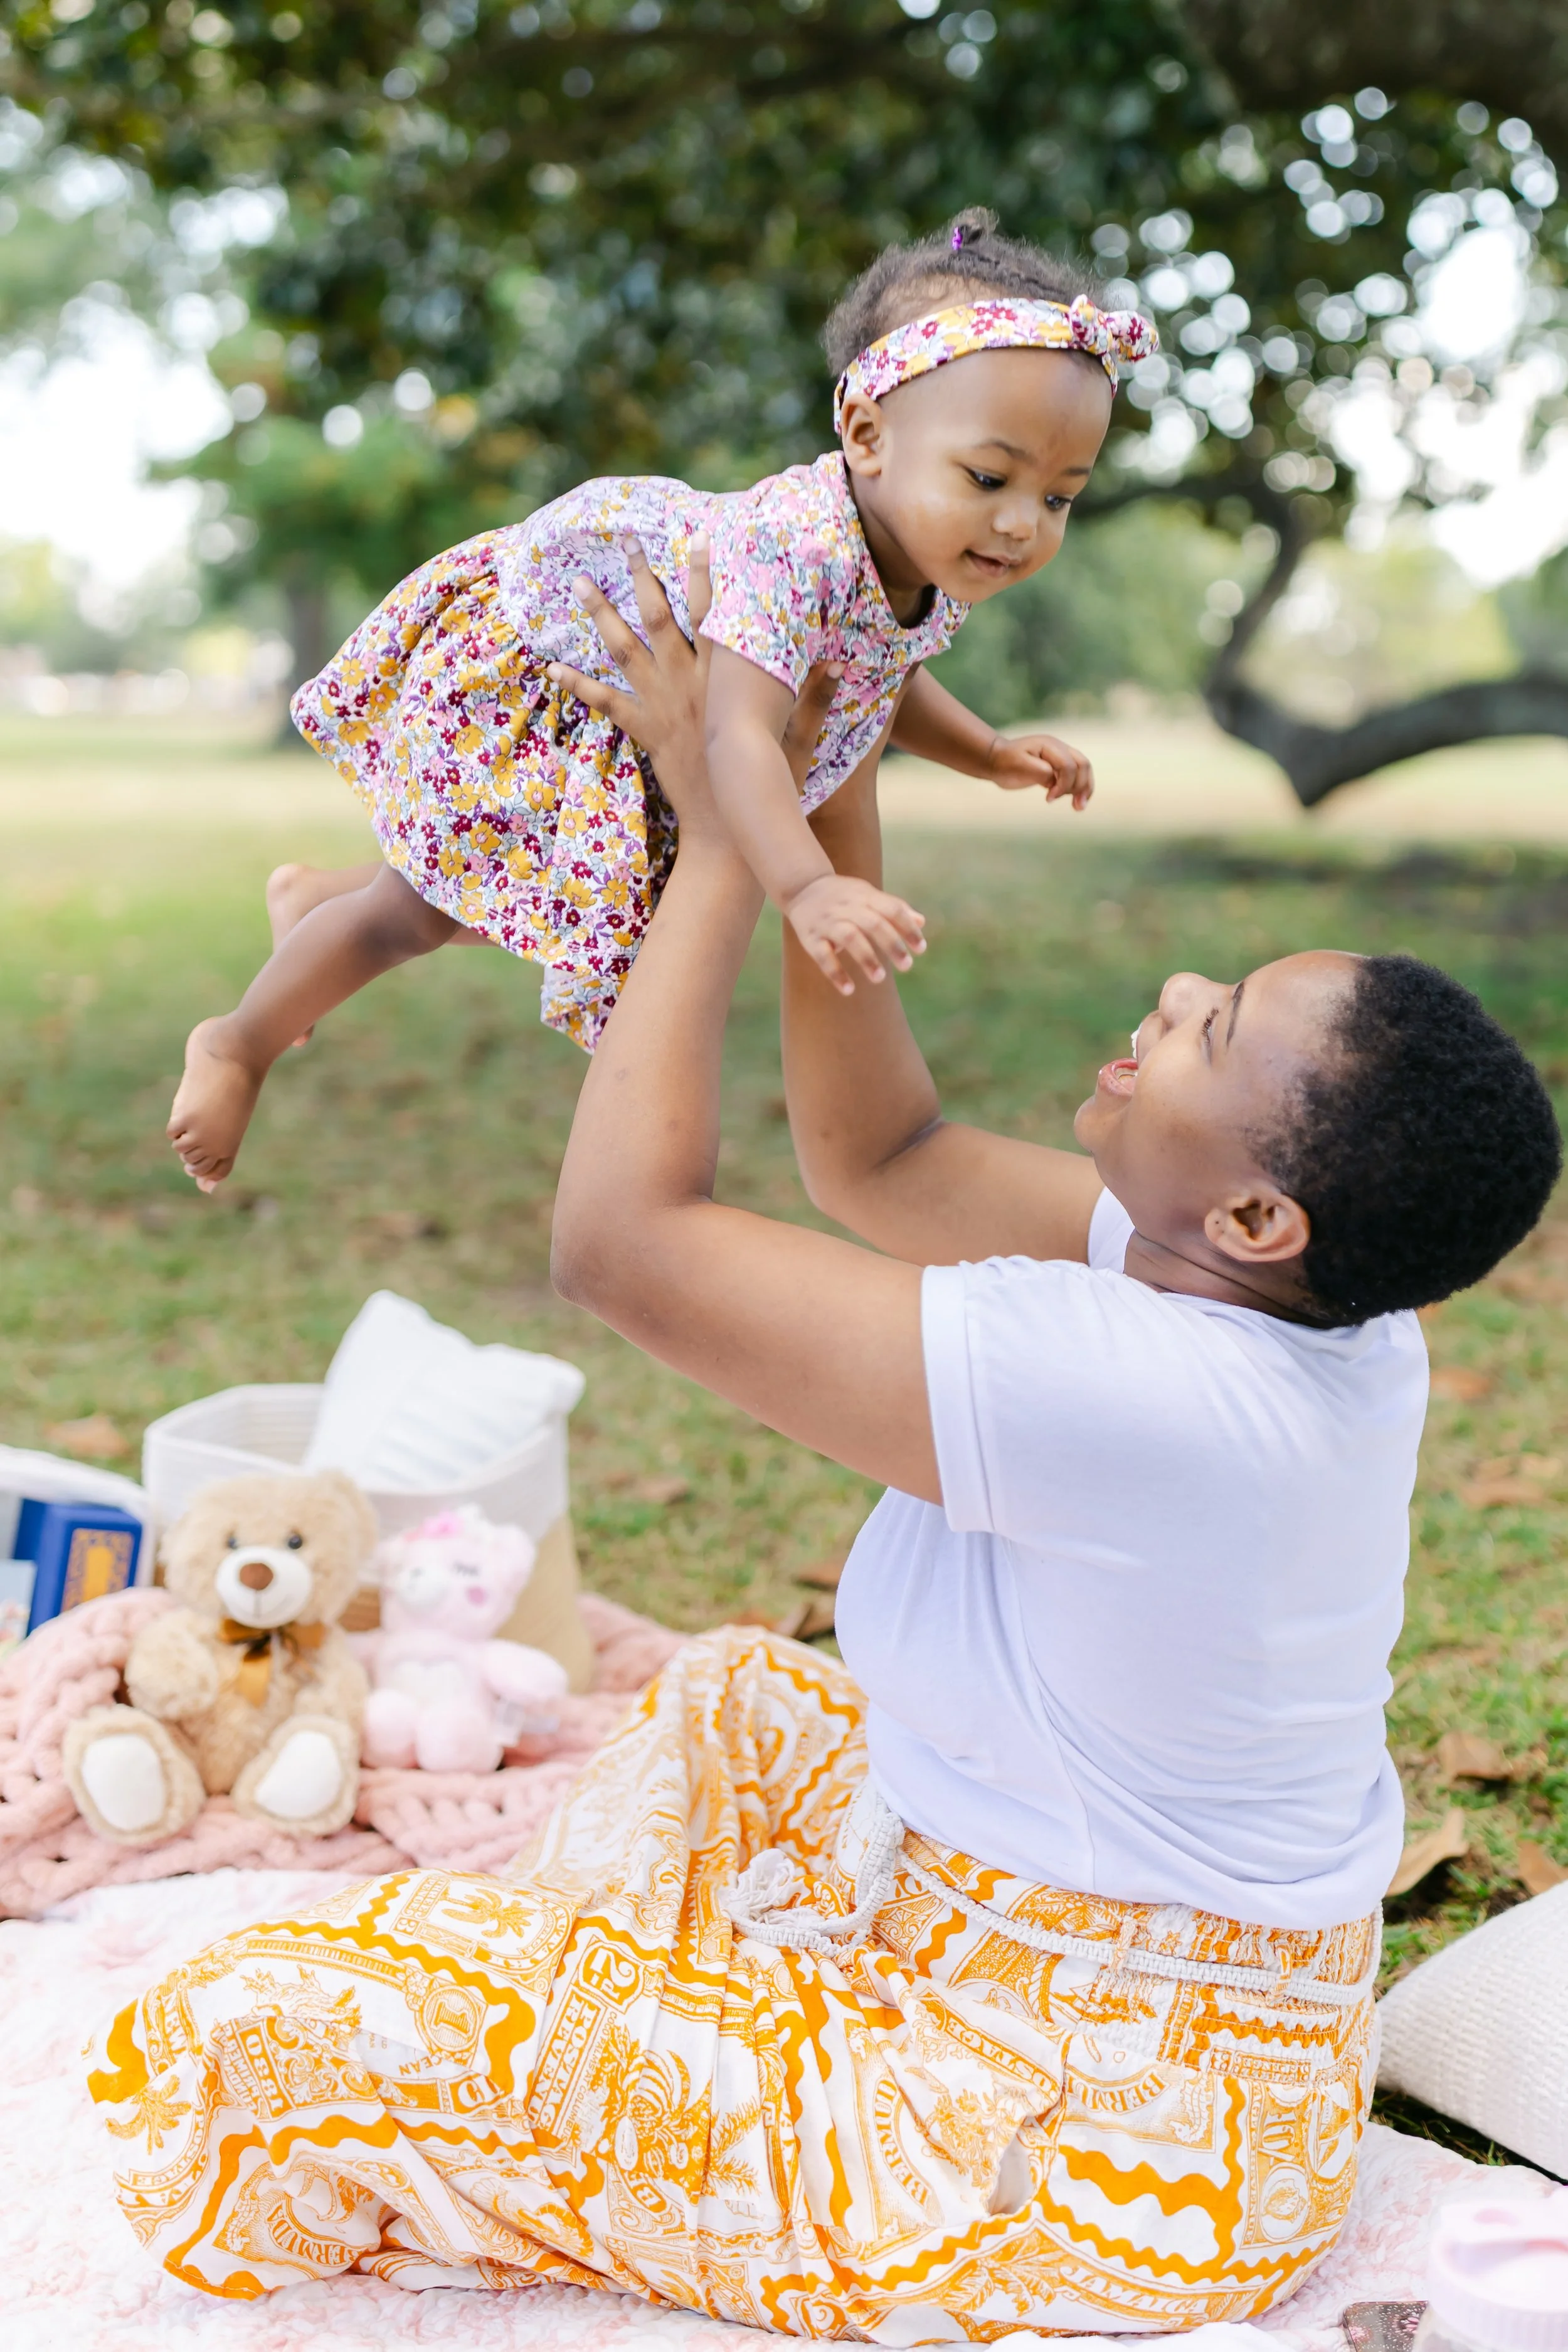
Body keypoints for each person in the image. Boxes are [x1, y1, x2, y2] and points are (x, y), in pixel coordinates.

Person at [93, 549, 1562, 2338]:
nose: (1172, 986)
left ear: (1255, 1211)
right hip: (1149, 2003)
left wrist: (720, 838)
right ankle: (628, 2041)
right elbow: (889, 1164)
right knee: (734, 1705)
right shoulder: (1326, 1305)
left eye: (1215, 1024)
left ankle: (633, 2073)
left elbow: (618, 1244)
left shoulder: (1135, 1389)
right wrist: (822, 749)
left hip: (1081, 2145)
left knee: (223, 2028)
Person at [166, 207, 1155, 1190]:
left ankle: (311, 900)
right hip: (566, 673)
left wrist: (987, 752)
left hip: (650, 728)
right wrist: (807, 888)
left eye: (1060, 496)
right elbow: (736, 738)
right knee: (414, 914)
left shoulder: (925, 555)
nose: (1023, 523)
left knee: (557, 900)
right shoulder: (798, 551)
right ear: (865, 434)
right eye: (991, 477)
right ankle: (237, 1041)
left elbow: (882, 675)